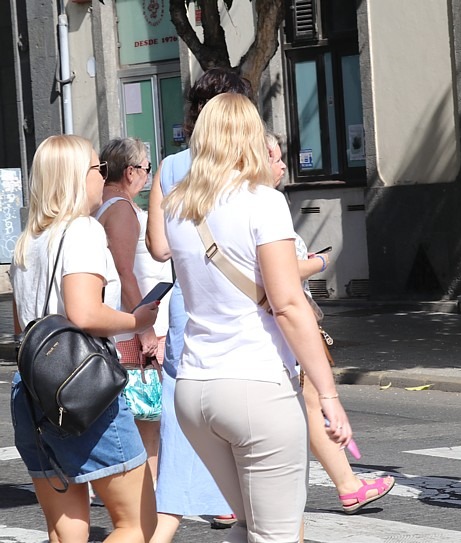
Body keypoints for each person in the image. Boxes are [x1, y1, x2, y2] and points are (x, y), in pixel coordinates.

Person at [163, 92, 351, 542]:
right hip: (255, 383)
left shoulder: (178, 208)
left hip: (194, 388)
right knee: (276, 533)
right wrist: (328, 395)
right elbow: (287, 303)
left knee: (246, 526)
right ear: (249, 137)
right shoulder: (262, 202)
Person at [10, 134, 159, 543]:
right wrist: (135, 319)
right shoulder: (82, 231)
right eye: (98, 168)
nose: (103, 176)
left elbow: (26, 326)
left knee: (65, 530)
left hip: (33, 388)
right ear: (78, 177)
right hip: (82, 389)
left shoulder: (27, 241)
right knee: (138, 524)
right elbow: (83, 313)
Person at [146, 67, 249, 542]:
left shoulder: (169, 167)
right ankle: (234, 506)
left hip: (190, 303)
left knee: (185, 412)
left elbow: (159, 248)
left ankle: (186, 507)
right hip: (245, 305)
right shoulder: (245, 165)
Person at [267, 133, 395, 514]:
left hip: (270, 329)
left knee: (306, 407)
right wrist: (320, 263)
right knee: (311, 405)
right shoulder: (265, 203)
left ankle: (348, 484)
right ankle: (348, 485)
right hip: (283, 325)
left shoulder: (239, 203)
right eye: (273, 156)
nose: (282, 165)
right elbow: (284, 273)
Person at [96, 137, 172, 483]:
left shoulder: (96, 207)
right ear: (129, 172)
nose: (147, 176)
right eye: (145, 169)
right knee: (149, 423)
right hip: (132, 328)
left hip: (116, 325)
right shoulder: (123, 211)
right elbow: (125, 272)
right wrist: (144, 328)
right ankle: (150, 494)